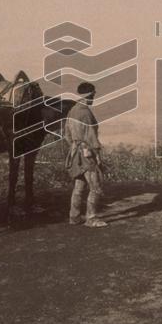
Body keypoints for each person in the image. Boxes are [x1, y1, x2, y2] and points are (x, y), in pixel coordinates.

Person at [64, 82, 108, 227]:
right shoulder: (86, 113)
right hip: (87, 154)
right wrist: (98, 156)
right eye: (93, 95)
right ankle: (91, 218)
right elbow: (92, 138)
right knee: (96, 186)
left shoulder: (72, 111)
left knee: (79, 187)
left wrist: (75, 146)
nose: (94, 98)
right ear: (89, 95)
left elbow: (66, 134)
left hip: (75, 153)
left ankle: (74, 217)